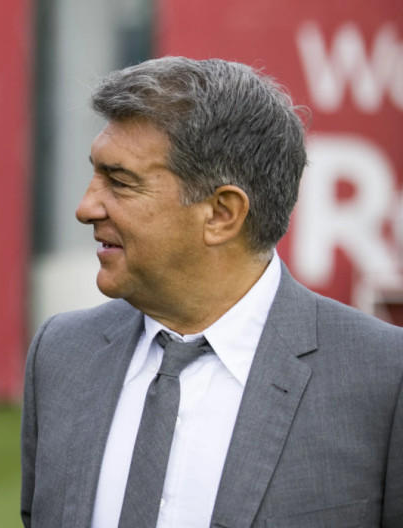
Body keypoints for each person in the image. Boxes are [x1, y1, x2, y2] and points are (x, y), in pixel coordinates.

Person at [21, 56, 403, 527]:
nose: (85, 207)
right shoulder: (60, 354)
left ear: (222, 213)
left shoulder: (385, 376)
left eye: (120, 182)